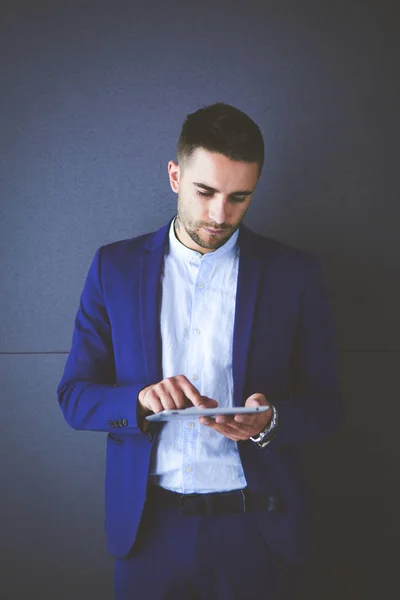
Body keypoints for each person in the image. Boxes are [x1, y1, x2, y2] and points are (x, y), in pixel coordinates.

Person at [57, 102, 343, 599]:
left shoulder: (295, 274)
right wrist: (140, 401)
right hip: (146, 532)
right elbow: (75, 396)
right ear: (175, 175)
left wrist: (271, 422)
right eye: (205, 192)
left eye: (239, 198)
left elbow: (328, 406)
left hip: (257, 531)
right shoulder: (114, 268)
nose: (219, 215)